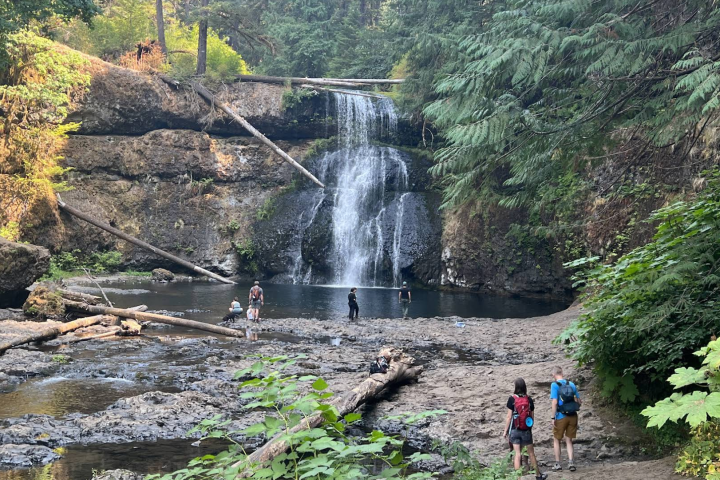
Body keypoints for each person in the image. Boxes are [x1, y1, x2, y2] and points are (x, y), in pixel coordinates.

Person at [502, 378, 547, 480]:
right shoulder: (529, 399)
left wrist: (505, 431)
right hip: (526, 430)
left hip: (514, 429)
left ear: (516, 387)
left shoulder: (512, 399)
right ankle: (538, 475)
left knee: (517, 454)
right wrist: (529, 428)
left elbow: (509, 417)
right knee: (531, 453)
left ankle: (518, 478)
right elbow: (531, 417)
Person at [550, 366, 581, 472]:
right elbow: (579, 400)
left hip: (561, 416)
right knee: (569, 440)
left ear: (554, 375)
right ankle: (571, 462)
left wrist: (553, 417)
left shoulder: (554, 385)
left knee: (557, 439)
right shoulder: (571, 384)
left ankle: (558, 464)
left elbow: (554, 402)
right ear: (562, 373)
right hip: (573, 416)